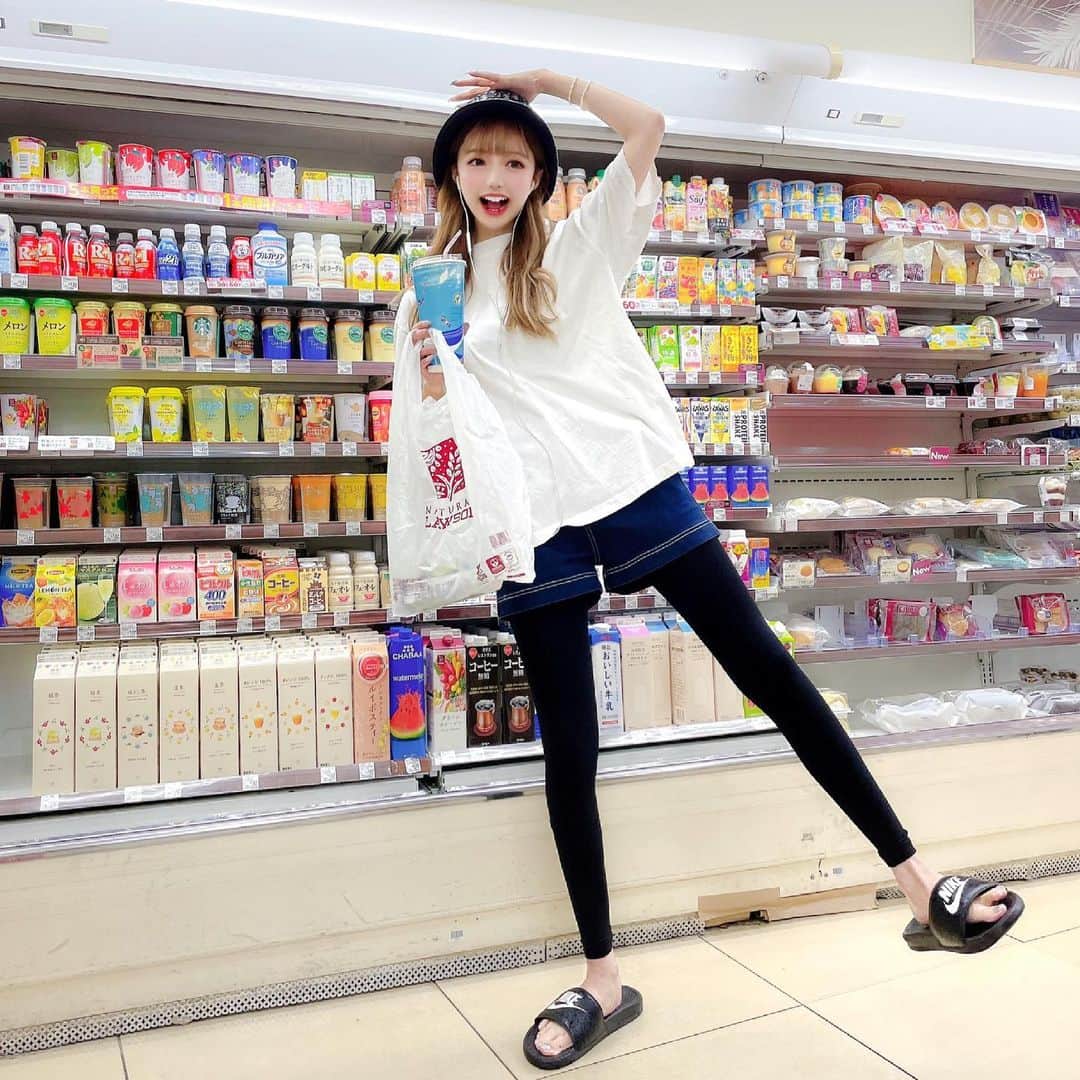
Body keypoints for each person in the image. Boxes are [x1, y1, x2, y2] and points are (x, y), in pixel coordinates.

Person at [393, 68, 1026, 1071]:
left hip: (631, 485)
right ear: (451, 177)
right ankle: (603, 977)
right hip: (532, 522)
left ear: (541, 174)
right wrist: (438, 359)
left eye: (515, 158)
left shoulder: (580, 244)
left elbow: (646, 125)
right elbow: (440, 426)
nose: (496, 175)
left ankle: (920, 888)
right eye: (477, 159)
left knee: (768, 670)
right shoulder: (428, 289)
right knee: (569, 750)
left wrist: (547, 83)